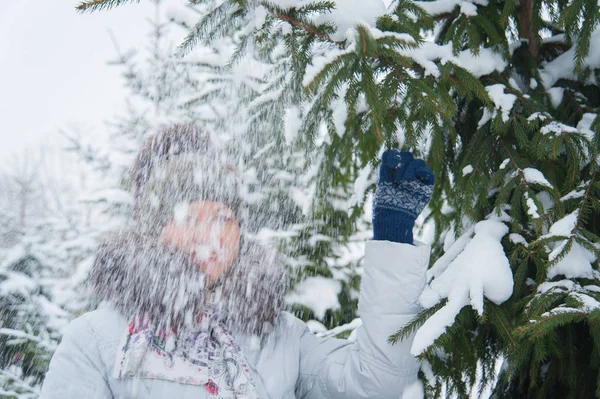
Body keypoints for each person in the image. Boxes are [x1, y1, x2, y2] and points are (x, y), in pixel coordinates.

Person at [40, 124, 434, 399]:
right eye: (190, 218)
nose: (209, 235)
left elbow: (377, 386)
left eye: (223, 218)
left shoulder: (282, 337)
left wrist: (392, 239)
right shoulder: (96, 340)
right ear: (155, 230)